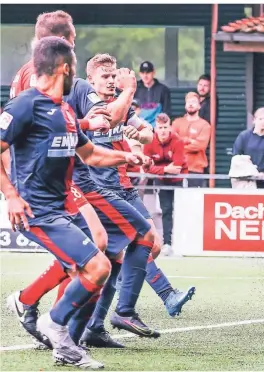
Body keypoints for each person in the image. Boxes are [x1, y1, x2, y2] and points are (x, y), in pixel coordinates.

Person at [0, 36, 149, 369]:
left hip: (63, 205)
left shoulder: (64, 110)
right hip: (38, 209)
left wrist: (128, 158)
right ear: (63, 68)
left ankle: (57, 328)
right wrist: (10, 195)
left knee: (103, 257)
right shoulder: (25, 104)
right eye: (73, 66)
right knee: (98, 266)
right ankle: (55, 325)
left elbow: (91, 154)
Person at [80, 55, 195, 348]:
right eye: (103, 76)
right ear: (89, 79)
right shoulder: (87, 103)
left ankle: (93, 325)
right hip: (100, 190)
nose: (109, 80)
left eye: (112, 75)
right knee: (134, 247)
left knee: (132, 253)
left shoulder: (121, 104)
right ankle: (137, 305)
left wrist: (139, 135)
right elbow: (104, 129)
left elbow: (146, 131)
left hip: (123, 186)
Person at [143, 113, 188, 252]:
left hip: (178, 180)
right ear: (155, 128)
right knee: (166, 210)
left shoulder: (177, 141)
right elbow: (146, 168)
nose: (162, 130)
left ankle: (182, 243)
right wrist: (165, 169)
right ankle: (167, 243)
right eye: (160, 127)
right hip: (162, 181)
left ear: (170, 127)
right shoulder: (149, 142)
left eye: (165, 127)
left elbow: (177, 168)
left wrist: (157, 169)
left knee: (181, 212)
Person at [172, 92, 211, 188]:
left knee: (193, 201)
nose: (190, 104)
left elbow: (200, 145)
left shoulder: (204, 125)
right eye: (188, 102)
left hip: (195, 169)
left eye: (193, 102)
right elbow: (172, 143)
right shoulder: (177, 122)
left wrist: (180, 144)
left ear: (199, 106)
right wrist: (189, 140)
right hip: (177, 168)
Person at [232, 107, 264, 189]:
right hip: (245, 179)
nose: (263, 122)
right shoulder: (244, 136)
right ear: (254, 120)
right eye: (260, 119)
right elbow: (237, 156)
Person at [134, 60, 172, 126]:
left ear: (153, 72)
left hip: (157, 127)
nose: (145, 75)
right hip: (139, 127)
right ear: (139, 74)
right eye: (143, 73)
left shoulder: (163, 90)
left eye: (148, 72)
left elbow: (166, 113)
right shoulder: (135, 88)